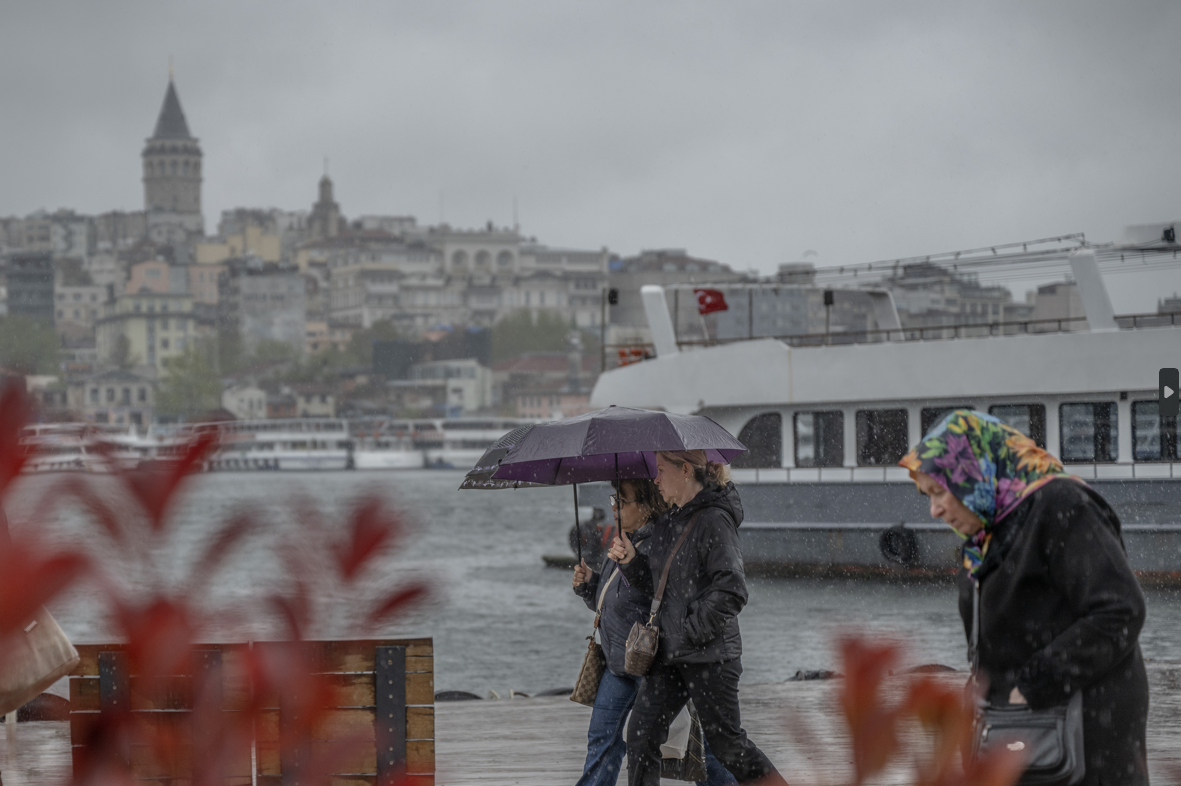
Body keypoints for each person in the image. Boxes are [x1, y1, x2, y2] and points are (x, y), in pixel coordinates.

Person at [900, 410, 1149, 786]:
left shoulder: (1061, 504)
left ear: (971, 474)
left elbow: (1119, 610)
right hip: (1020, 735)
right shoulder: (989, 533)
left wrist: (1032, 684)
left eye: (938, 492)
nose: (934, 510)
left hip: (1085, 737)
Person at [610, 451, 788, 786]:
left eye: (661, 471)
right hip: (670, 653)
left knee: (729, 747)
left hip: (710, 655)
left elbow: (732, 589)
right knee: (641, 734)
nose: (656, 480)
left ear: (685, 470)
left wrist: (691, 629)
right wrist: (632, 562)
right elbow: (660, 587)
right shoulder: (668, 521)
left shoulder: (714, 521)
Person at [572, 478, 735, 786]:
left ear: (645, 507)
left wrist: (633, 562)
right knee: (602, 738)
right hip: (619, 662)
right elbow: (608, 604)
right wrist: (589, 585)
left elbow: (666, 597)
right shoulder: (624, 541)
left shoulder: (662, 544)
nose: (614, 509)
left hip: (652, 663)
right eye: (613, 501)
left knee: (701, 744)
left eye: (621, 502)